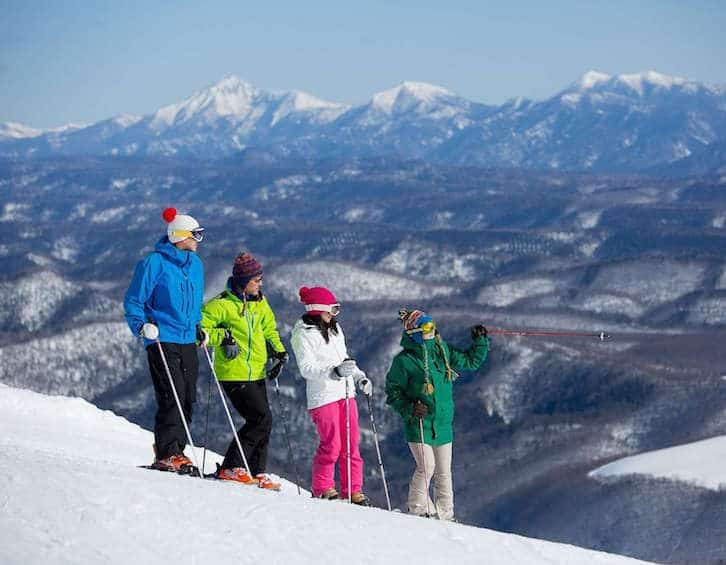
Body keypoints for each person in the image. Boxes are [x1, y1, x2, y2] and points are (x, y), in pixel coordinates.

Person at [385, 308, 490, 521]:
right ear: (414, 331)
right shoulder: (403, 361)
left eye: (433, 325)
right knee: (427, 466)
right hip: (419, 423)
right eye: (426, 327)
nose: (432, 330)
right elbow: (393, 391)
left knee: (444, 472)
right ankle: (417, 508)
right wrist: (409, 408)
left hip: (442, 424)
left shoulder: (442, 352)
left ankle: (445, 515)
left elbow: (470, 361)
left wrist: (480, 342)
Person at [123, 207, 206, 473]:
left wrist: (198, 326)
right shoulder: (154, 263)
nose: (198, 240)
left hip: (186, 338)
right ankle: (168, 453)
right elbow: (134, 300)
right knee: (172, 395)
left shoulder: (196, 266)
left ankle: (177, 451)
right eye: (196, 235)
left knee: (188, 397)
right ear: (180, 235)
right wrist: (141, 326)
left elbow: (194, 303)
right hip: (162, 337)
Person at [200, 251, 288, 490]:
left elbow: (269, 329)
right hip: (233, 372)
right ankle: (232, 466)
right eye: (256, 280)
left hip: (256, 371)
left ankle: (257, 471)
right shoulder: (222, 305)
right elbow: (200, 329)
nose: (261, 283)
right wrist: (223, 337)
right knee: (259, 419)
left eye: (260, 279)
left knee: (265, 421)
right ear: (242, 281)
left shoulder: (260, 302)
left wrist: (279, 353)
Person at [290, 286, 372, 505]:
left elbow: (344, 359)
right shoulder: (303, 334)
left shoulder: (335, 330)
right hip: (323, 396)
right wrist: (333, 372)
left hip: (346, 393)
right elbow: (306, 368)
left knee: (351, 444)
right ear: (318, 310)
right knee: (332, 444)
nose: (334, 314)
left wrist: (359, 377)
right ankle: (323, 486)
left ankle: (353, 490)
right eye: (332, 310)